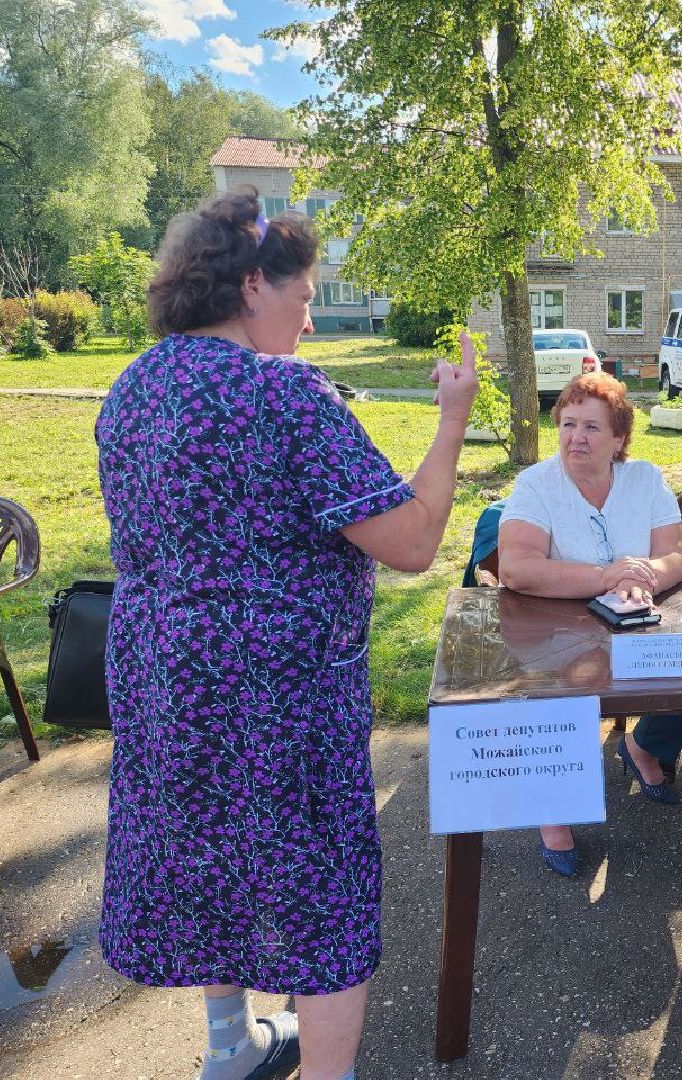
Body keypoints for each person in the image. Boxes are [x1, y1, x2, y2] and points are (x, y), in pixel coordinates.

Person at [95, 189, 478, 1080]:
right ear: (254, 286)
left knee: (207, 851)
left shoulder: (134, 386)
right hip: (277, 692)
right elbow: (414, 541)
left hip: (162, 676)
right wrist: (452, 415)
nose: (308, 323)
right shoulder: (283, 395)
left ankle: (229, 1044)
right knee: (322, 887)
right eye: (304, 301)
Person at [496, 372, 682, 878]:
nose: (575, 437)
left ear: (619, 439)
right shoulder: (537, 484)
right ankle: (556, 811)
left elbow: (676, 554)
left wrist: (647, 574)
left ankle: (642, 745)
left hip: (637, 619)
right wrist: (606, 575)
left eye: (590, 427)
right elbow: (516, 568)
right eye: (567, 424)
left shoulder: (645, 478)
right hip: (555, 626)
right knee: (564, 689)